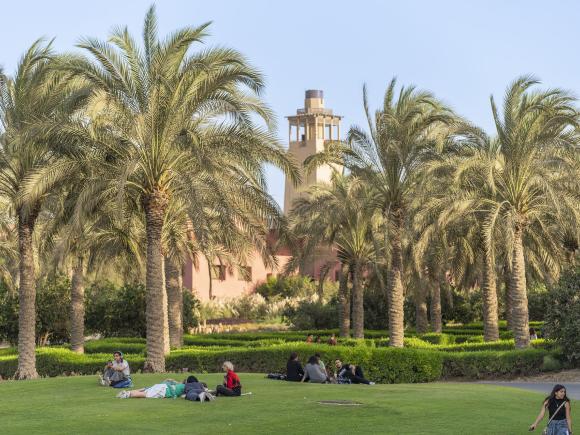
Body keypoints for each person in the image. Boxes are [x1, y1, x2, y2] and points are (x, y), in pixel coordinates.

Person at [116, 376, 193, 399]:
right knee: (146, 394)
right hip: (163, 390)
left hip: (161, 387)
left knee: (145, 392)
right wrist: (174, 396)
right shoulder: (182, 386)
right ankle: (127, 394)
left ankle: (127, 393)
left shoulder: (178, 385)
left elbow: (168, 380)